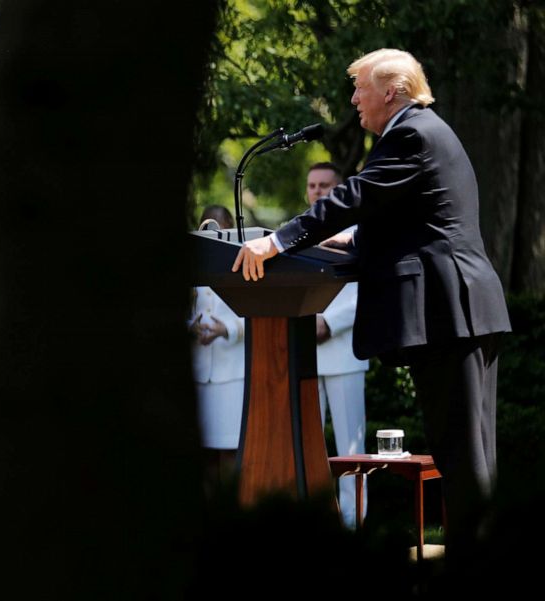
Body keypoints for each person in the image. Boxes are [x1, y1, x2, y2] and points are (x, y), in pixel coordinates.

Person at [233, 49, 511, 557]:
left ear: (392, 90)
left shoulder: (412, 133)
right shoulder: (419, 132)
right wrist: (353, 246)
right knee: (468, 453)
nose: (354, 99)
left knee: (464, 455)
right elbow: (404, 221)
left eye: (360, 87)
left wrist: (277, 242)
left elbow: (355, 195)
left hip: (452, 311)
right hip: (461, 310)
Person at [305, 162, 370, 528]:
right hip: (306, 355)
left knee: (350, 446)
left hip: (344, 349)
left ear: (340, 188)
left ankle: (354, 521)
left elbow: (368, 290)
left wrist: (329, 321)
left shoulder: (358, 231)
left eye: (325, 185)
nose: (317, 191)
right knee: (310, 444)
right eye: (312, 186)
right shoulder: (297, 232)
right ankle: (317, 520)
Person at [191, 206, 245, 499]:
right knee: (204, 455)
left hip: (232, 372)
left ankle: (231, 514)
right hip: (200, 373)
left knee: (231, 450)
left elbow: (257, 312)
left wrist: (228, 329)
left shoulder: (241, 258)